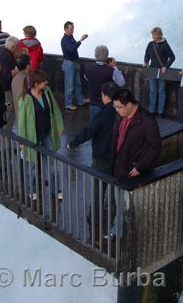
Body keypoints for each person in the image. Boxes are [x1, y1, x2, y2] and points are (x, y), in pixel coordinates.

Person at [68, 82, 120, 240]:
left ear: (105, 97)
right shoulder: (121, 112)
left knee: (99, 190)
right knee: (113, 190)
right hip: (117, 158)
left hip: (102, 158)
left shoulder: (102, 115)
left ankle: (95, 218)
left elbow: (88, 131)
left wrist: (73, 142)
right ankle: (111, 217)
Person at [109, 88, 161, 237]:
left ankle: (128, 235)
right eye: (115, 106)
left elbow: (155, 147)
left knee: (130, 206)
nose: (116, 110)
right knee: (119, 204)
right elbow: (116, 138)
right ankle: (117, 232)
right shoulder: (121, 114)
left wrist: (140, 165)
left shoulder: (147, 121)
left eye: (119, 107)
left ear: (130, 105)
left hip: (132, 171)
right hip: (119, 167)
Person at [17, 69, 65, 201]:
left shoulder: (47, 92)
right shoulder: (25, 99)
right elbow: (22, 123)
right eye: (44, 81)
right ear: (37, 83)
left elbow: (55, 108)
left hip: (47, 133)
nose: (46, 82)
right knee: (32, 165)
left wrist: (59, 126)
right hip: (32, 137)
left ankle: (56, 189)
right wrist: (21, 141)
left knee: (52, 163)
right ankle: (31, 190)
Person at [84, 45, 125, 118]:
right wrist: (115, 67)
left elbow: (88, 79)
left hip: (93, 104)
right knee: (107, 127)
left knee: (94, 126)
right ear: (106, 57)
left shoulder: (87, 69)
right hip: (107, 106)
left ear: (95, 55)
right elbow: (122, 83)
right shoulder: (111, 71)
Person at [143, 27, 175, 117]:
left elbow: (172, 57)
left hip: (162, 72)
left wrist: (166, 66)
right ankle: (152, 111)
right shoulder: (150, 44)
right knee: (153, 91)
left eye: (155, 35)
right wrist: (146, 62)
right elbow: (147, 54)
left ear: (160, 35)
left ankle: (161, 112)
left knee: (161, 92)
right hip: (152, 71)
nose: (153, 37)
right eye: (152, 35)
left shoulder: (165, 45)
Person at [61, 21, 89, 111]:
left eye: (73, 28)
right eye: (71, 28)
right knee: (69, 85)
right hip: (69, 64)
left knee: (77, 84)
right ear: (65, 29)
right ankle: (68, 104)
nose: (73, 30)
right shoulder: (64, 40)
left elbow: (73, 47)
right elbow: (71, 49)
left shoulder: (70, 37)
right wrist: (80, 40)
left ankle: (80, 100)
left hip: (74, 63)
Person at [0, 36, 19, 130]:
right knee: (9, 109)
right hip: (5, 89)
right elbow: (6, 75)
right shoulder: (7, 56)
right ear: (13, 46)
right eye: (16, 46)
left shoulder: (2, 52)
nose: (17, 49)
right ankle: (6, 132)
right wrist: (16, 71)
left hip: (1, 87)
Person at [11, 54, 32, 130]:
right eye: (30, 61)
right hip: (28, 116)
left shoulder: (14, 79)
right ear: (28, 66)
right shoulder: (28, 79)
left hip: (19, 115)